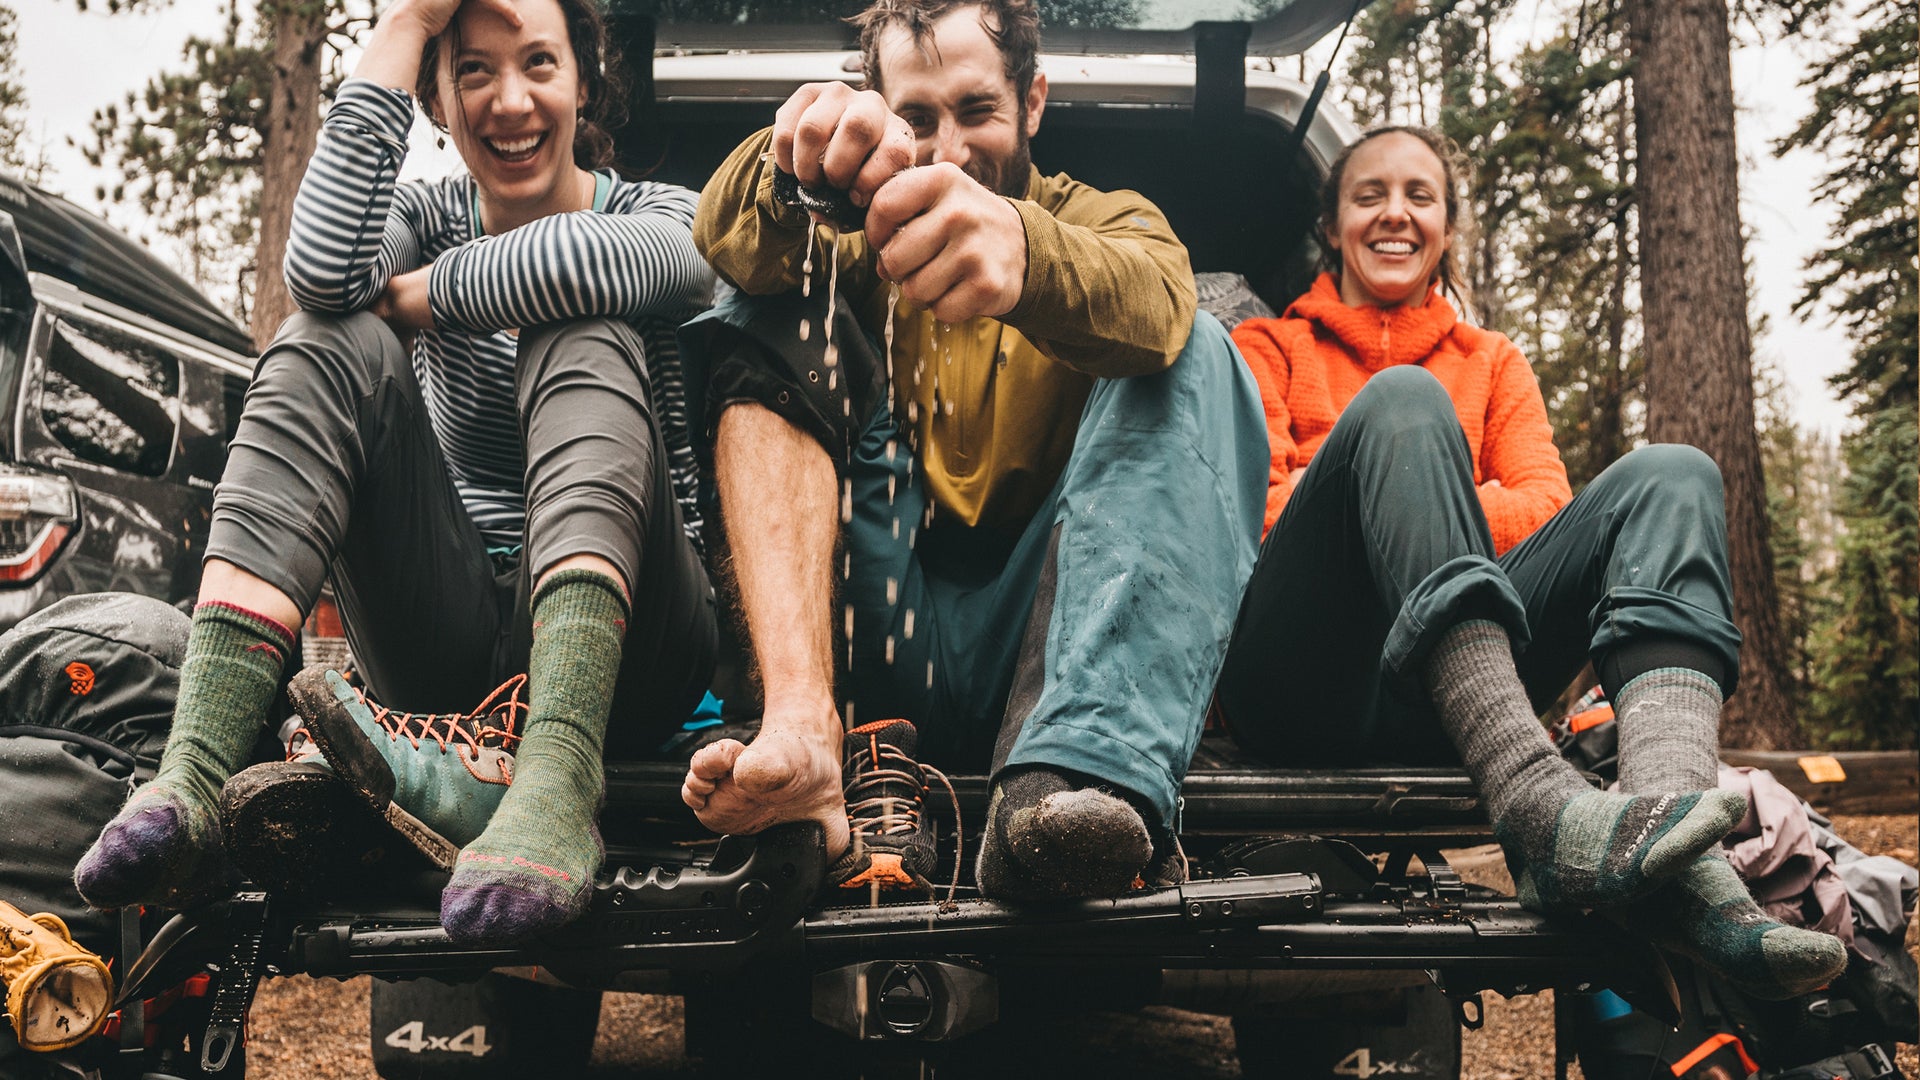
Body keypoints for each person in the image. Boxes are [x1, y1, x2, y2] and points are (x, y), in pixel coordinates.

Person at [74, 0, 716, 945]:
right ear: (437, 102)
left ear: (585, 82)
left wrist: (425, 294)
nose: (510, 100)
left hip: (639, 647)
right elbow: (325, 277)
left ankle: (561, 772)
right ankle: (199, 771)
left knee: (579, 320)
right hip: (451, 642)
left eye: (540, 63)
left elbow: (588, 264)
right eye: (472, 72)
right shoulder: (423, 215)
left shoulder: (663, 213)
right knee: (321, 340)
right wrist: (412, 17)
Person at [1211, 125, 1848, 999]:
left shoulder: (1494, 362)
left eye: (1419, 196)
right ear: (1331, 226)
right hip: (1299, 686)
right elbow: (1258, 516)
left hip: (1456, 693)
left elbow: (1548, 505)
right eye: (1368, 195)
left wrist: (1417, 504)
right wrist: (1401, 476)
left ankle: (1671, 849)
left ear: (1446, 225)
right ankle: (1535, 810)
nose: (1394, 214)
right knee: (1405, 406)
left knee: (1675, 474)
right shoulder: (1267, 349)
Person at [679, 0, 1268, 900]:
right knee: (758, 310)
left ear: (1032, 101)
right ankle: (801, 734)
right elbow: (728, 245)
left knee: (1194, 345)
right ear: (873, 105)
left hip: (1040, 642)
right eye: (916, 116)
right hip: (871, 641)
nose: (948, 147)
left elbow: (1158, 298)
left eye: (978, 110)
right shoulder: (842, 234)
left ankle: (1065, 783)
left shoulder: (1106, 217)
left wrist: (1026, 256)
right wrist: (794, 158)